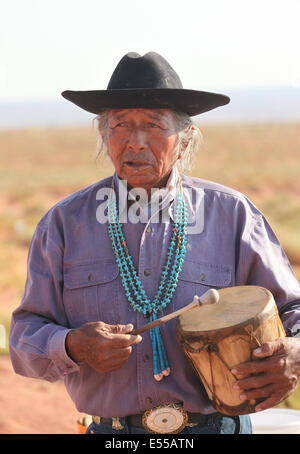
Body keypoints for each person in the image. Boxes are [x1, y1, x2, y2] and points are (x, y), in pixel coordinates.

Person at [9, 52, 300, 435]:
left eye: (153, 124)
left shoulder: (232, 216)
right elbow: (23, 338)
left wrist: (296, 355)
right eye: (120, 125)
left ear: (184, 139)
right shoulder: (64, 224)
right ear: (103, 134)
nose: (135, 142)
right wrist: (72, 345)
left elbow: (292, 309)